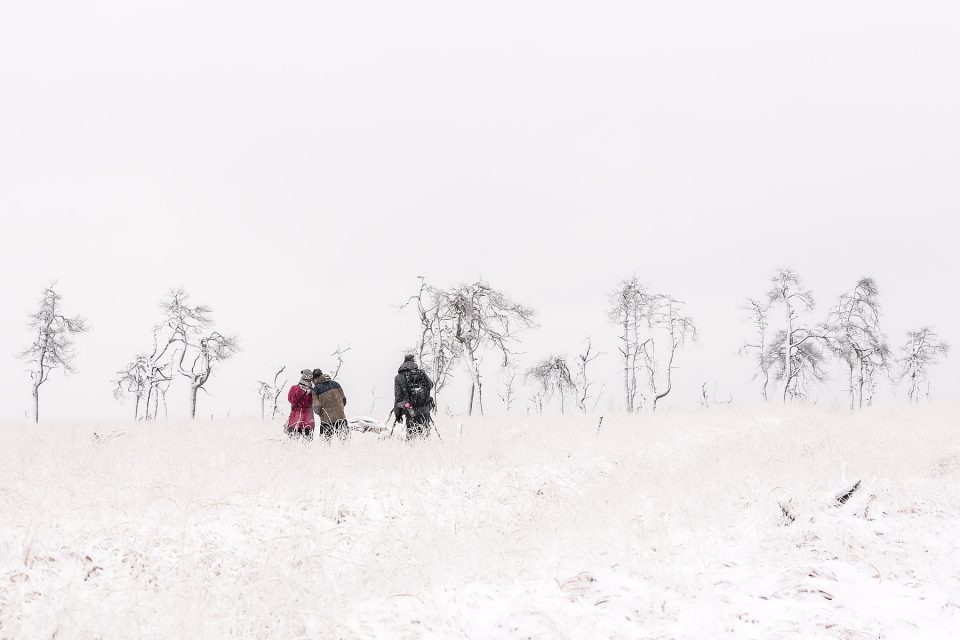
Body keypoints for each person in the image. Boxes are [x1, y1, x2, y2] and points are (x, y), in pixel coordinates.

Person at [394, 354, 434, 439]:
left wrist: (398, 414)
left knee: (412, 436)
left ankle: (412, 449)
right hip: (424, 408)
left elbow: (398, 397)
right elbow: (430, 385)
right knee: (425, 435)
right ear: (413, 361)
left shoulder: (399, 377)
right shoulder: (421, 373)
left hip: (410, 409)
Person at [312, 368, 349, 442]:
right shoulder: (336, 384)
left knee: (325, 444)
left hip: (326, 420)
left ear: (315, 378)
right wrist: (339, 409)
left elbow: (316, 407)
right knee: (345, 442)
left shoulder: (316, 389)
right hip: (341, 418)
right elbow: (344, 400)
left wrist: (321, 414)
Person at [286, 369, 315, 440]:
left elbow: (290, 399)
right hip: (308, 422)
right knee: (307, 446)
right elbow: (315, 403)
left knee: (292, 445)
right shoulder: (312, 391)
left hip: (294, 420)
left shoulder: (294, 388)